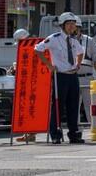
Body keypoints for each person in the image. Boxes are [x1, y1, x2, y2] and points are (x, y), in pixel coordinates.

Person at [35, 12, 84, 145]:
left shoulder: (74, 39)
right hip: (60, 76)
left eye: (73, 24)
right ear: (62, 25)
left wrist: (78, 64)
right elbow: (38, 49)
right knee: (58, 106)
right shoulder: (54, 38)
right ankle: (55, 134)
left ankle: (73, 134)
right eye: (68, 24)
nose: (71, 27)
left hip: (72, 75)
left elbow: (80, 52)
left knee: (73, 106)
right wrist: (49, 65)